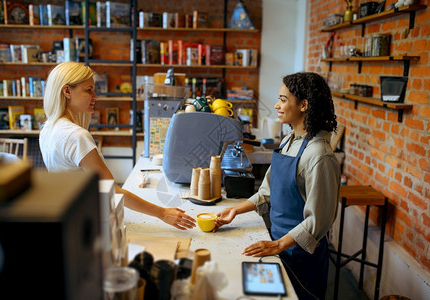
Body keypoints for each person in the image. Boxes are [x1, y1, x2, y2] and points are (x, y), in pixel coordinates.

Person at [214, 72, 341, 299]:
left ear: (304, 105)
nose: (276, 105)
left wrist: (279, 245)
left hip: (302, 256)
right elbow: (267, 191)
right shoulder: (288, 141)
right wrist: (236, 209)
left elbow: (319, 220)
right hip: (278, 244)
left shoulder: (320, 155)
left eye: (283, 99)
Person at [39, 62, 196, 230]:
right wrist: (162, 213)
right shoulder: (76, 136)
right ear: (67, 91)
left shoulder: (48, 128)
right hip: (91, 222)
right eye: (88, 90)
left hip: (70, 218)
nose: (95, 96)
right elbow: (111, 190)